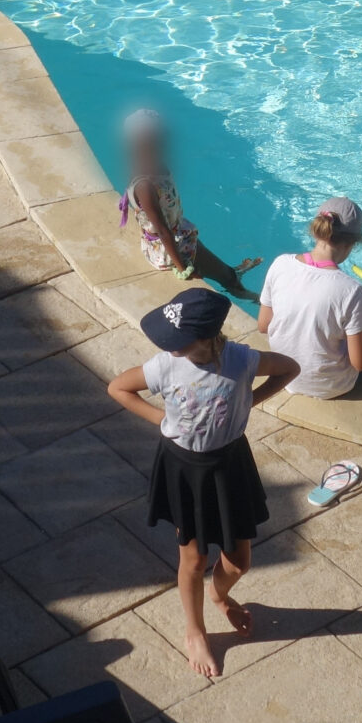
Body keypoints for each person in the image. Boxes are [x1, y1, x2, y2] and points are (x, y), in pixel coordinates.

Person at [107, 286, 300, 680]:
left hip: (230, 465)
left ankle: (219, 594)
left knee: (239, 560)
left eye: (176, 339)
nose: (168, 345)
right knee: (193, 559)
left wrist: (251, 400)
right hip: (186, 468)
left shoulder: (242, 360)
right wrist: (161, 422)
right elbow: (118, 387)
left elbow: (289, 368)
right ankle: (195, 631)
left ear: (207, 336)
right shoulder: (165, 366)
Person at [257, 198, 362, 399]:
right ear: (353, 243)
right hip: (331, 386)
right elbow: (359, 362)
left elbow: (264, 325)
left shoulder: (280, 264)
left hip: (284, 374)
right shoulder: (352, 290)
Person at [120, 108, 261, 297]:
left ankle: (228, 271)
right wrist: (183, 268)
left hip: (179, 231)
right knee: (227, 278)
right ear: (143, 144)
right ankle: (249, 295)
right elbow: (161, 229)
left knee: (210, 258)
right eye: (159, 140)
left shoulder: (156, 166)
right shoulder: (144, 185)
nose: (164, 144)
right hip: (169, 248)